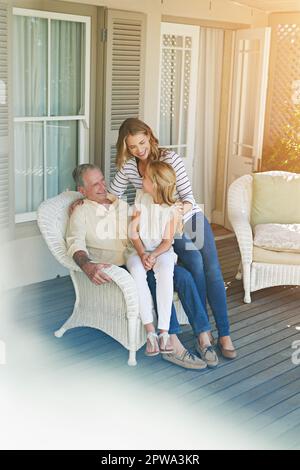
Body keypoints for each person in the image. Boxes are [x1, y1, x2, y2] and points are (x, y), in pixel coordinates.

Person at [66, 164, 220, 369]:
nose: (103, 186)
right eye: (95, 185)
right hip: (121, 267)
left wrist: (153, 251)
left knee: (184, 277)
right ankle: (172, 344)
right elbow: (74, 242)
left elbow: (147, 222)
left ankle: (203, 337)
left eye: (103, 180)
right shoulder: (81, 212)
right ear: (82, 190)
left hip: (142, 255)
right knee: (155, 280)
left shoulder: (119, 203)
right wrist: (87, 266)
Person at [109, 118, 236, 361]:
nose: (139, 150)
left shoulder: (170, 158)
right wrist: (85, 199)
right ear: (126, 147)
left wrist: (174, 211)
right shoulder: (128, 167)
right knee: (194, 262)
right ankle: (204, 333)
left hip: (186, 216)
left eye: (142, 142)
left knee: (210, 267)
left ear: (149, 135)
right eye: (132, 146)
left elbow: (188, 196)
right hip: (163, 224)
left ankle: (225, 333)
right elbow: (112, 195)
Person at [126, 161, 179, 356]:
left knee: (165, 271)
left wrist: (154, 255)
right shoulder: (141, 197)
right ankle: (150, 332)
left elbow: (167, 241)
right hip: (138, 249)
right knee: (137, 272)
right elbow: (133, 232)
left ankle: (164, 331)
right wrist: (142, 254)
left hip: (161, 251)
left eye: (146, 177)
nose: (142, 179)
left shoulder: (172, 209)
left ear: (156, 184)